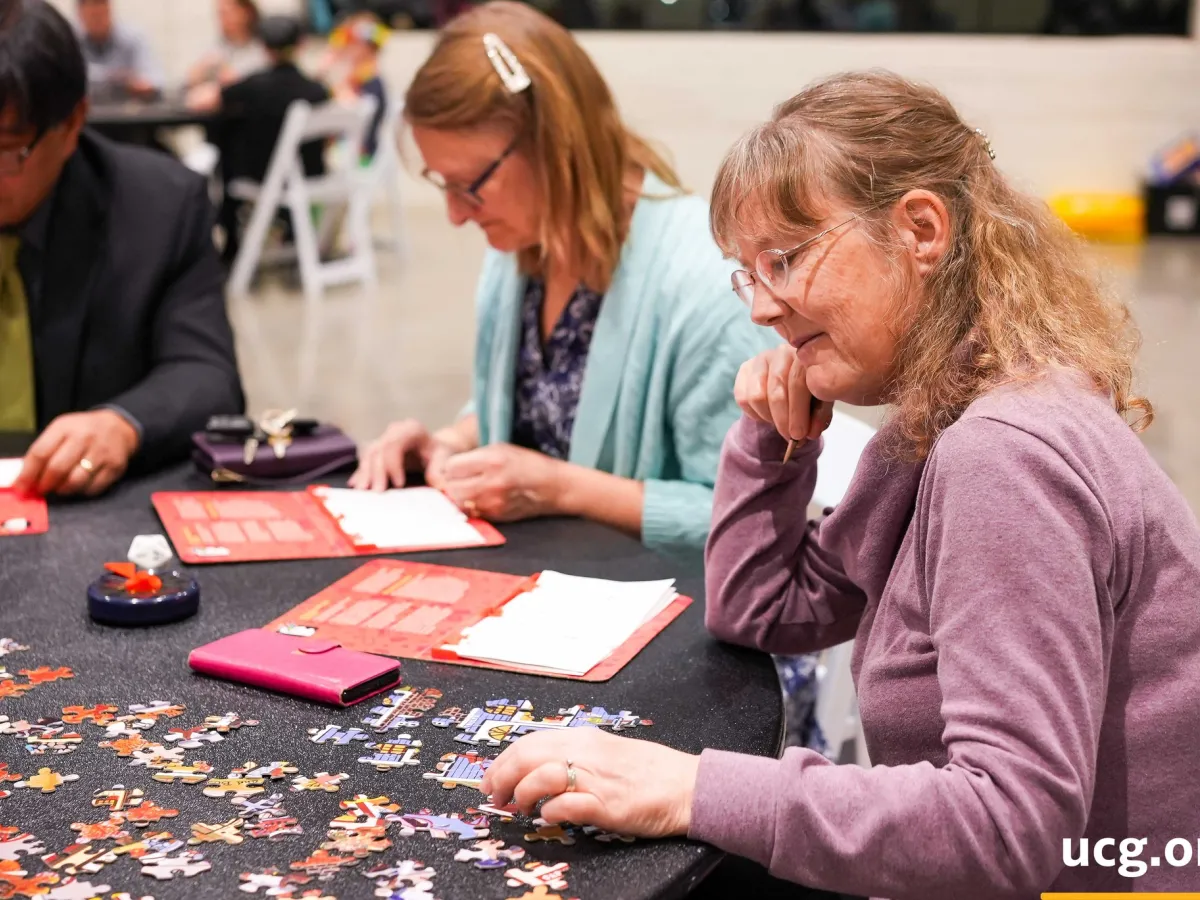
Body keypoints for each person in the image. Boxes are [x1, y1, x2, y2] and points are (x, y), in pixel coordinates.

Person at [479, 71, 1200, 896]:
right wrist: (773, 441)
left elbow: (1012, 828)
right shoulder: (941, 416)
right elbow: (761, 614)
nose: (760, 307)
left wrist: (689, 789)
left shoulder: (1002, 454)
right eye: (747, 272)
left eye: (783, 259)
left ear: (921, 229)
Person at [350, 2, 775, 556]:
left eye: (470, 185)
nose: (456, 215)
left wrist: (563, 489)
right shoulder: (525, 241)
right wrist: (452, 442)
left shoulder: (706, 288)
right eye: (441, 185)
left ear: (556, 145)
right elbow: (542, 406)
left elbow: (749, 522)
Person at [0, 0, 244, 497]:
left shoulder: (157, 208)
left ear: (72, 124)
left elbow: (206, 373)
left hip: (80, 513)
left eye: (7, 151)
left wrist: (121, 423)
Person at [208, 15, 330, 264]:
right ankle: (290, 232)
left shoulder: (250, 87)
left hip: (261, 177)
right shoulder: (316, 90)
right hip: (310, 175)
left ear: (263, 47)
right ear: (302, 44)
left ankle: (231, 242)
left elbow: (208, 100)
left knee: (227, 147)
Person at [324, 12, 388, 160]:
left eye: (349, 42)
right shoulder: (355, 79)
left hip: (360, 157)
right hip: (350, 152)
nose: (343, 48)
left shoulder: (370, 82)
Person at [184, 0, 269, 112]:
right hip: (218, 116)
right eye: (219, 14)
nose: (222, 20)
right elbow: (190, 80)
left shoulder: (263, 46)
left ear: (246, 13)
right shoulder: (217, 45)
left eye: (227, 13)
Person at [74, 0, 164, 103]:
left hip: (129, 113)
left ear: (110, 9)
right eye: (93, 15)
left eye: (102, 11)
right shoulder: (72, 40)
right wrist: (117, 78)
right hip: (86, 113)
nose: (98, 18)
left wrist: (143, 85)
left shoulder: (133, 37)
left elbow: (156, 80)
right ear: (80, 13)